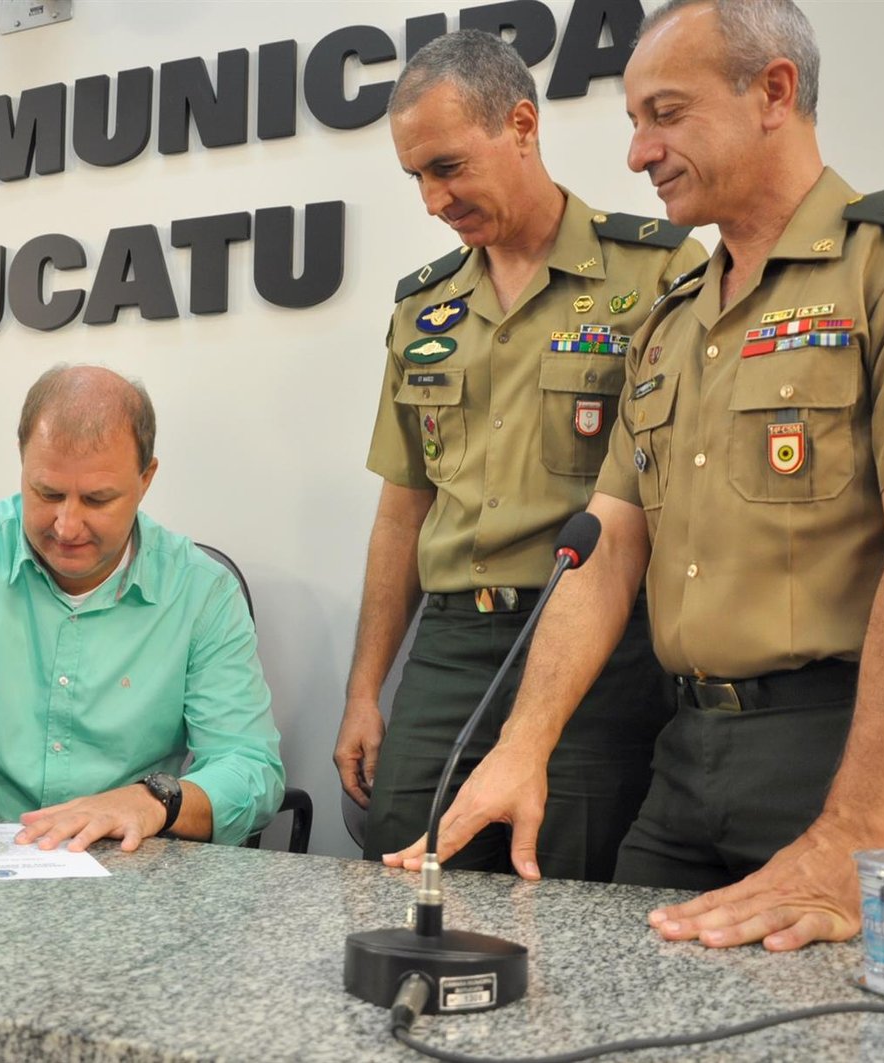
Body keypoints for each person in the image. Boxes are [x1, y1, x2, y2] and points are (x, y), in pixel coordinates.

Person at [387, 0, 884, 950]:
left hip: (858, 754)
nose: (638, 152)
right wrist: (519, 749)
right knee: (624, 997)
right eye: (634, 122)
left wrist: (852, 833)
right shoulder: (671, 318)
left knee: (857, 1035)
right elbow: (604, 547)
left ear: (773, 92)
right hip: (690, 756)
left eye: (666, 113)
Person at [337, 29, 706, 877]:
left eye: (449, 166)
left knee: (564, 886)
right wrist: (365, 690)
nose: (433, 199)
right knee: (400, 867)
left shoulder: (656, 272)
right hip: (451, 643)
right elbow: (403, 509)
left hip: (591, 645)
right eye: (417, 178)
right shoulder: (424, 310)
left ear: (523, 125)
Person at [0, 364, 285, 850]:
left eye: (98, 499)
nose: (66, 525)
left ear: (146, 480)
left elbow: (250, 769)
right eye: (47, 493)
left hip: (122, 866)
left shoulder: (202, 593)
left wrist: (152, 802)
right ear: (22, 464)